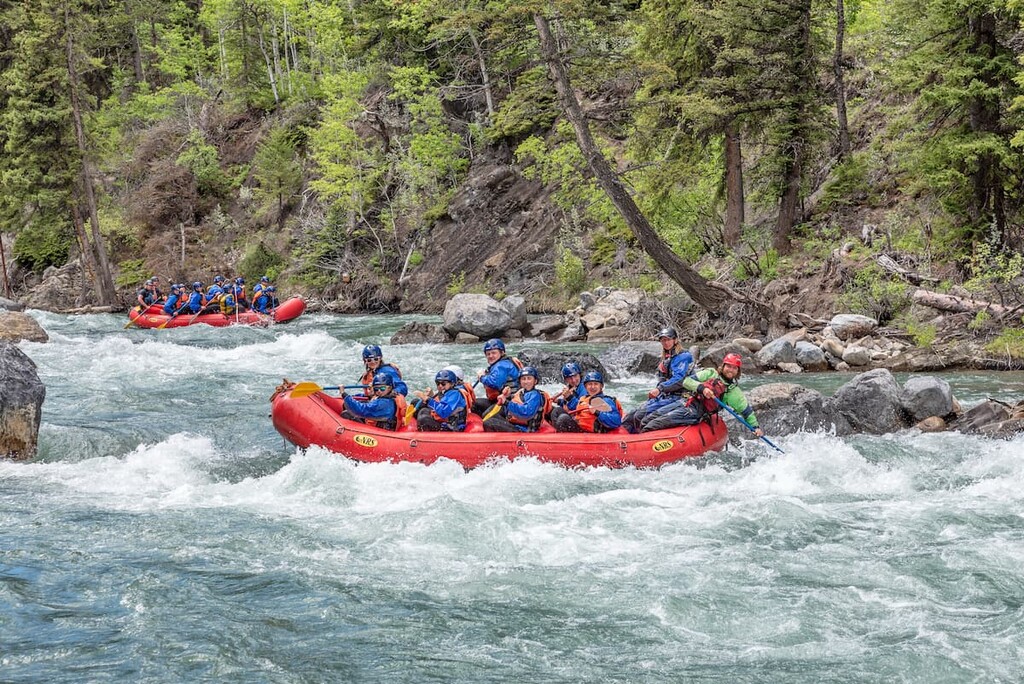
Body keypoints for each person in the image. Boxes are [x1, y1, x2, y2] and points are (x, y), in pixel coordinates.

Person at [640, 353, 763, 435]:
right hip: (685, 402)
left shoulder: (733, 392)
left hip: (695, 412)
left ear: (738, 371)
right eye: (728, 366)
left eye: (734, 368)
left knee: (653, 424)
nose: (730, 370)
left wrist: (756, 427)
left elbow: (746, 412)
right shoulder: (710, 373)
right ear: (723, 366)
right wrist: (702, 388)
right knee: (647, 419)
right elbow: (686, 381)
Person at [622, 326, 694, 433]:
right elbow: (662, 379)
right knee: (631, 415)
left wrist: (660, 389)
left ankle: (640, 437)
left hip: (680, 397)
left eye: (668, 339)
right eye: (663, 340)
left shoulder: (683, 357)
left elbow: (679, 379)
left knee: (640, 416)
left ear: (675, 340)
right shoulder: (667, 358)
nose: (666, 343)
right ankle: (622, 436)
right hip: (666, 395)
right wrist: (658, 391)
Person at [483, 366, 549, 432]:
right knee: (490, 416)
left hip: (524, 429)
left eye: (529, 378)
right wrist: (507, 397)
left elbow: (525, 412)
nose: (526, 382)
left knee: (489, 423)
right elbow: (515, 403)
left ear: (535, 381)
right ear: (520, 381)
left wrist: (506, 402)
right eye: (523, 379)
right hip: (516, 424)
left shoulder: (535, 395)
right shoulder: (522, 391)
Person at [553, 371, 623, 433]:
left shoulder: (605, 400)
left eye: (596, 384)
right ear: (585, 387)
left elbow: (617, 420)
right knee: (557, 411)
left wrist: (597, 412)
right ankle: (557, 436)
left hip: (588, 432)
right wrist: (564, 399)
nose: (592, 387)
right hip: (579, 426)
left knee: (563, 418)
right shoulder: (584, 398)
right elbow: (577, 407)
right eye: (590, 384)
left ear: (601, 386)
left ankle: (560, 439)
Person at [339, 372, 404, 431]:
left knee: (346, 414)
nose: (379, 391)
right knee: (346, 405)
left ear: (389, 388)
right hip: (384, 422)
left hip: (379, 432)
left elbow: (362, 409)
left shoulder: (383, 403)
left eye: (382, 388)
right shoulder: (393, 395)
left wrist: (344, 394)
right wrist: (372, 392)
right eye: (376, 388)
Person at [473, 338, 521, 415]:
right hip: (501, 400)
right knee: (473, 403)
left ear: (502, 353)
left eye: (494, 353)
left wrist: (482, 377)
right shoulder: (503, 362)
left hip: (508, 403)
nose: (490, 356)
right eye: (488, 354)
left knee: (486, 416)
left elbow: (495, 383)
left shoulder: (502, 365)